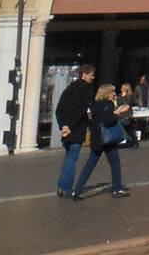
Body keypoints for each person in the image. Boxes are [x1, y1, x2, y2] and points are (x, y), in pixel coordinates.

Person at [70, 83, 130, 200]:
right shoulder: (108, 104)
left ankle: (77, 191)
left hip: (96, 138)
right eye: (112, 92)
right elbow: (108, 120)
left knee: (89, 165)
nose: (114, 94)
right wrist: (117, 113)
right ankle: (116, 189)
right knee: (115, 163)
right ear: (107, 94)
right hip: (107, 139)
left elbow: (97, 119)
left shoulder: (95, 105)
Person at [55, 64, 97, 199]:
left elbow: (59, 109)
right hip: (76, 129)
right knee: (72, 158)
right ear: (84, 74)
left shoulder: (70, 88)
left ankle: (61, 186)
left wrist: (63, 125)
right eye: (91, 75)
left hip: (66, 128)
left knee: (68, 157)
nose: (93, 77)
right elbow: (80, 111)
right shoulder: (85, 89)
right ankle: (67, 188)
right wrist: (70, 127)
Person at [116, 83, 139, 147]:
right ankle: (135, 141)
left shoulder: (130, 96)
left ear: (126, 89)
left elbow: (128, 104)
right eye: (121, 88)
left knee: (124, 125)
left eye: (123, 88)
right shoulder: (119, 95)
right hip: (120, 112)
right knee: (129, 128)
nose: (121, 89)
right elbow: (118, 103)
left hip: (127, 113)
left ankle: (129, 140)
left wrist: (123, 97)